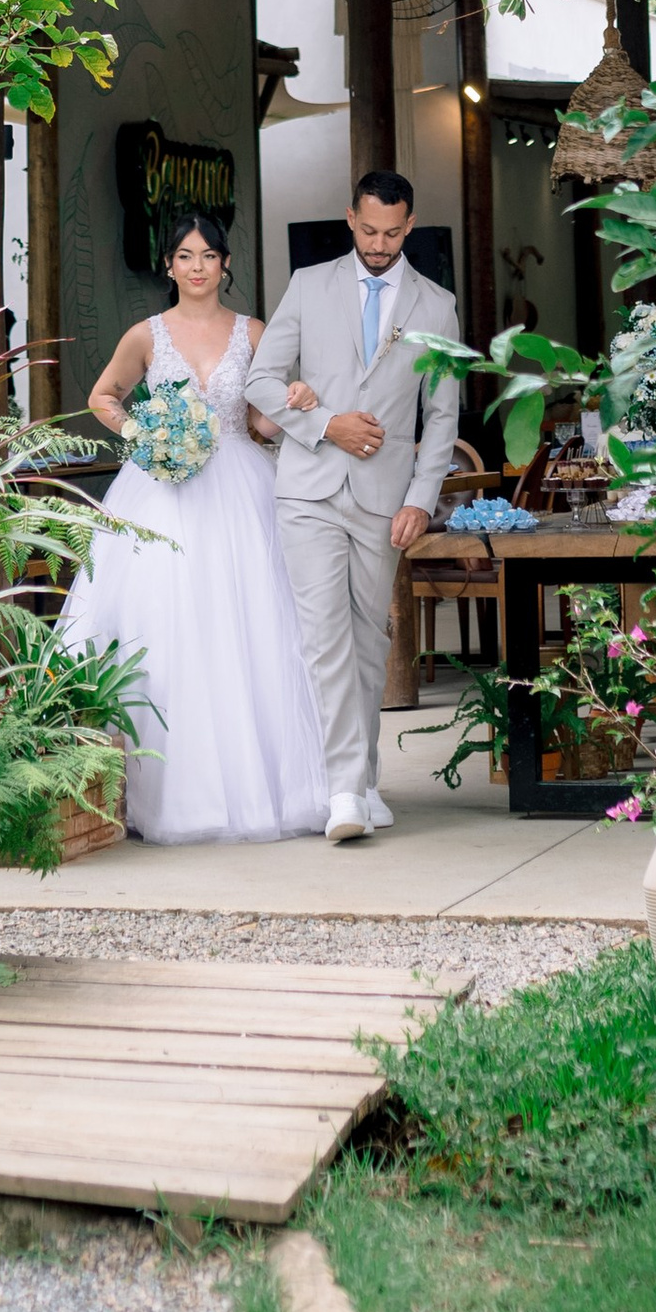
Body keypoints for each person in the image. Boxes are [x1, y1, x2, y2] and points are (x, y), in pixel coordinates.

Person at [55, 210, 331, 844]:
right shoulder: (146, 335)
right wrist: (142, 433)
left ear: (225, 263)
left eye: (209, 255)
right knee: (169, 625)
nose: (198, 266)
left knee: (251, 626)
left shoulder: (254, 332)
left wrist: (294, 402)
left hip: (241, 484)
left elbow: (261, 423)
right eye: (185, 255)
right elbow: (105, 396)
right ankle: (171, 794)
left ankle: (271, 789)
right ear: (170, 265)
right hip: (163, 491)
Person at [246, 169, 461, 846]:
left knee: (369, 636)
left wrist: (422, 501)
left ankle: (365, 779)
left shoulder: (436, 305)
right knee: (325, 636)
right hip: (307, 488)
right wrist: (326, 423)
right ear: (350, 217)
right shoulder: (309, 284)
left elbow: (443, 415)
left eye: (393, 232)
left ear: (410, 224)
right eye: (368, 229)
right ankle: (343, 787)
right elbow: (259, 380)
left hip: (383, 497)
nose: (378, 242)